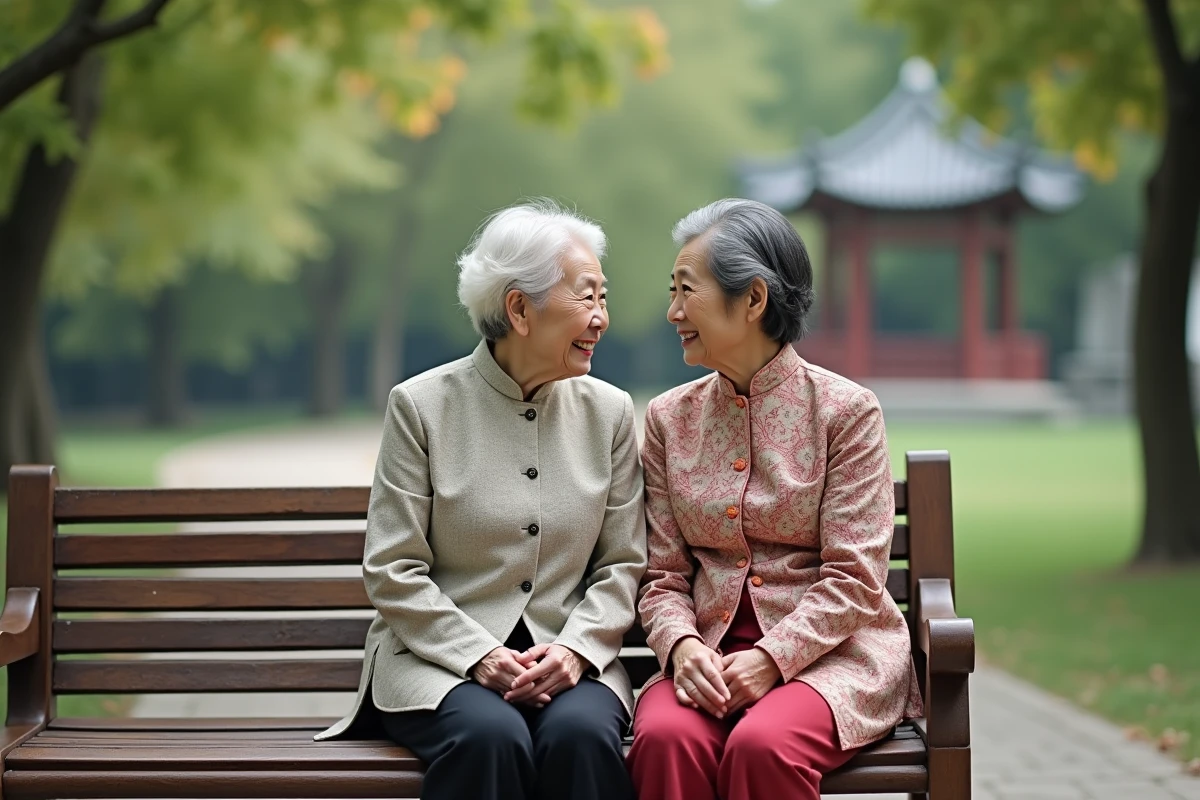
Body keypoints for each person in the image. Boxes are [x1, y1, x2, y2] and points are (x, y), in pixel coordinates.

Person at [317, 200, 646, 800]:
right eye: (586, 296)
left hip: (569, 659)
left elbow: (623, 564)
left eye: (603, 297)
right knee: (490, 737)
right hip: (438, 661)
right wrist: (479, 656)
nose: (601, 317)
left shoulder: (611, 413)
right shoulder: (421, 406)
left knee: (579, 736)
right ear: (518, 308)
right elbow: (392, 569)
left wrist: (575, 651)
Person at [627, 198, 923, 800]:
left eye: (687, 291)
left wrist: (771, 659)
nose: (673, 311)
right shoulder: (668, 419)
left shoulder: (846, 412)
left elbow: (855, 577)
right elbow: (660, 576)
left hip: (832, 658)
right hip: (705, 656)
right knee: (664, 739)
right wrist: (681, 648)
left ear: (754, 300)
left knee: (762, 746)